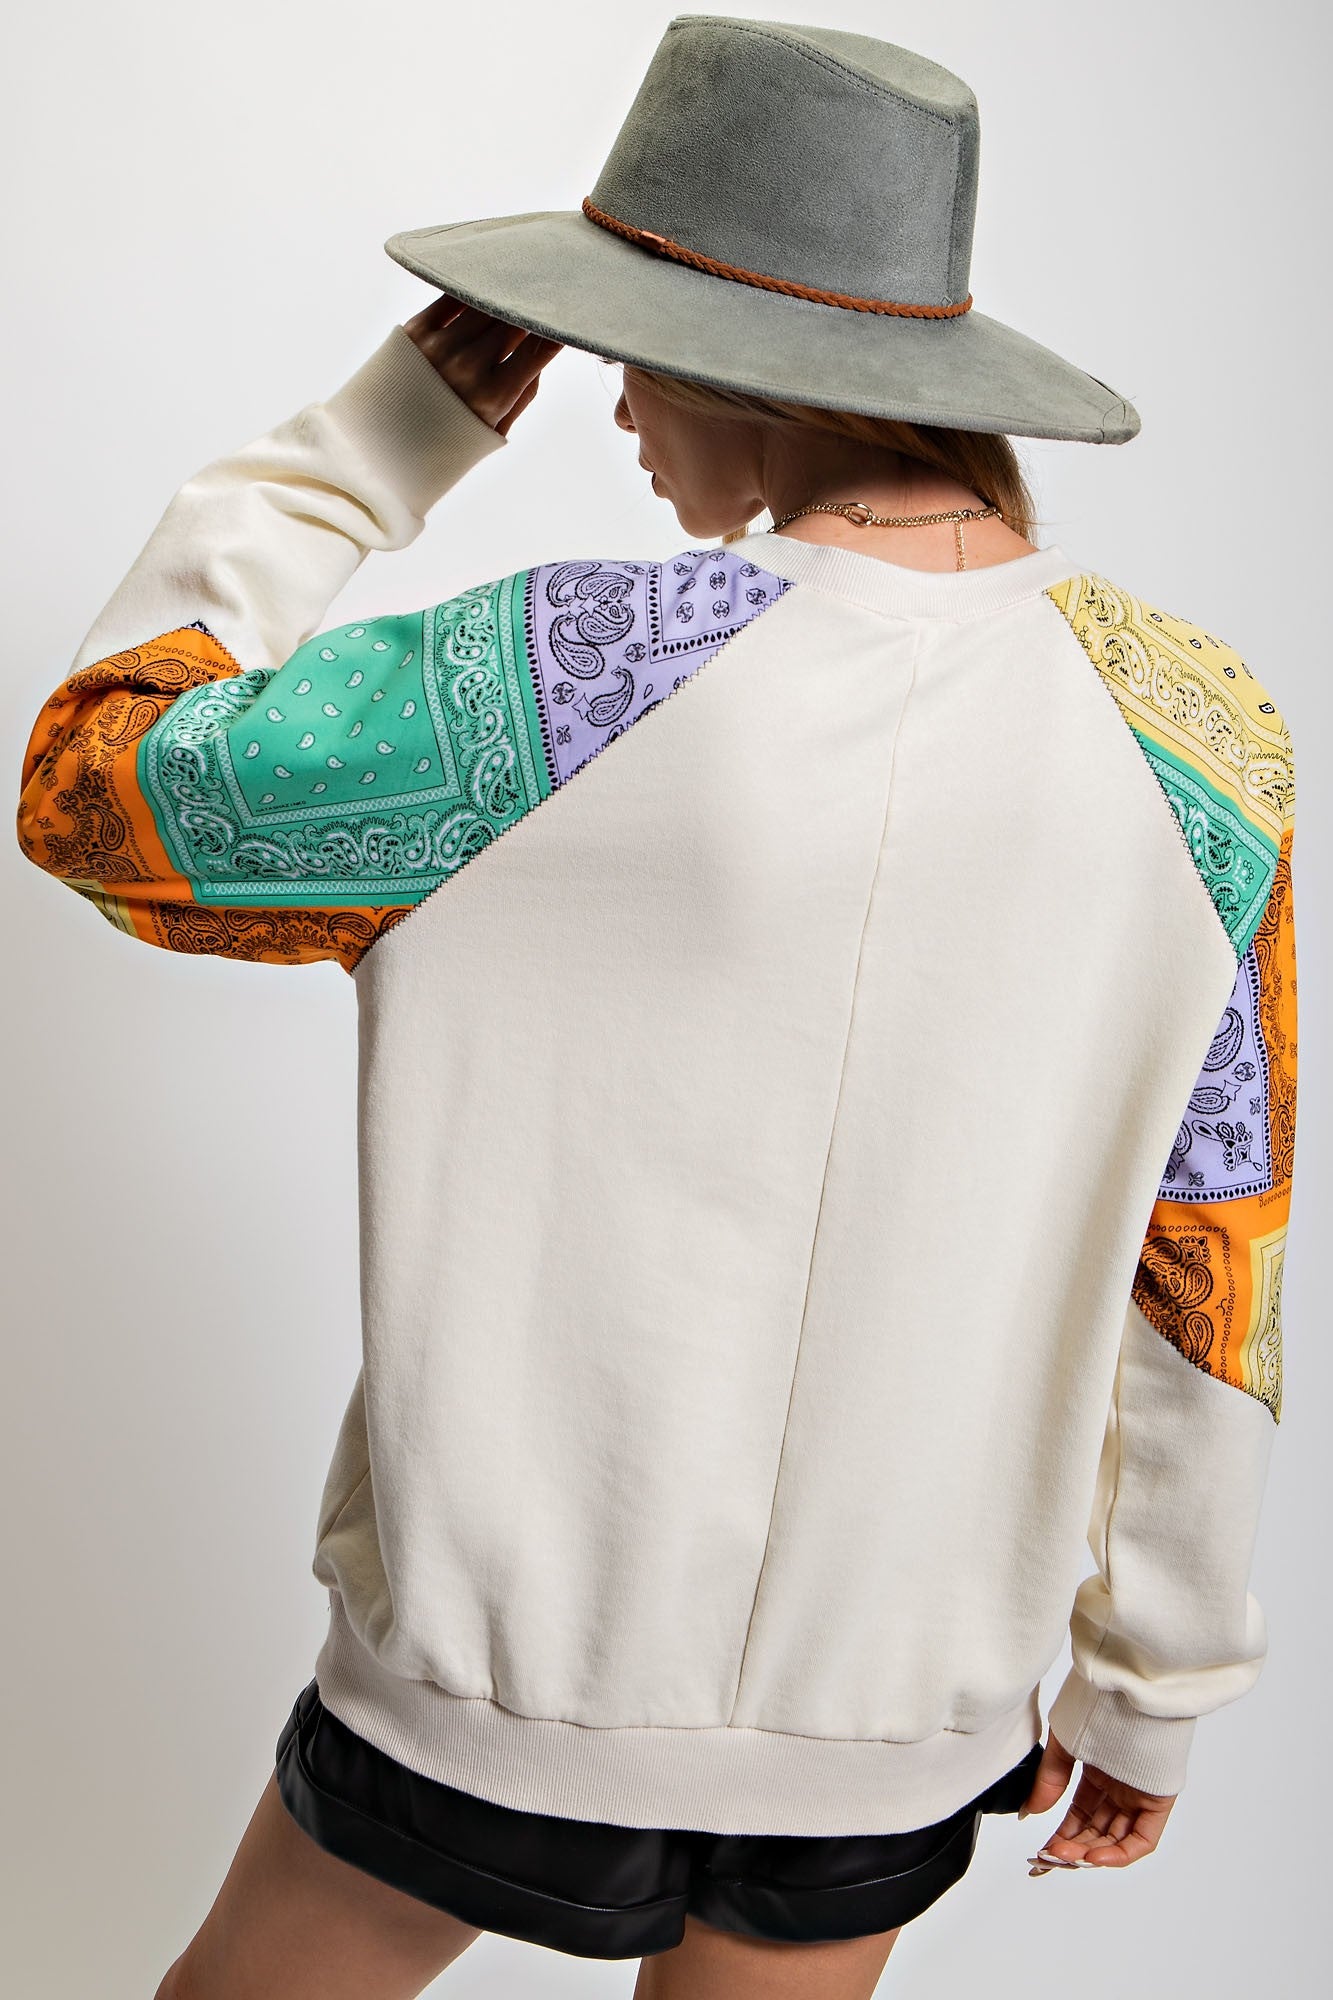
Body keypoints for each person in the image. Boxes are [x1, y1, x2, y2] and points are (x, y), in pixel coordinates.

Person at [15, 16, 1296, 2000]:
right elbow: (1204, 1262)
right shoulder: (1201, 745)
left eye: (625, 348)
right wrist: (1153, 1685)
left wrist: (382, 438)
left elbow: (95, 785)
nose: (610, 404)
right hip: (897, 1708)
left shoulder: (571, 682)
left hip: (488, 1688)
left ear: (740, 361)